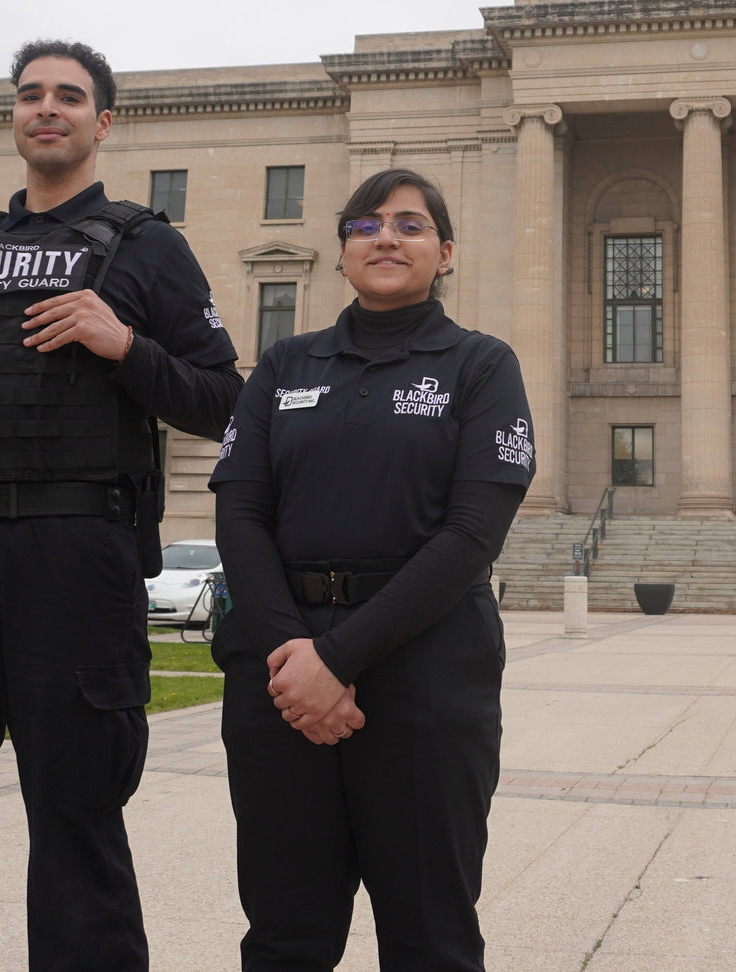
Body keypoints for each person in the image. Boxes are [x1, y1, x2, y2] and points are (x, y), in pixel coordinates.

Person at [0, 39, 242, 972]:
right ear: (16, 117)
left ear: (102, 121)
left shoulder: (148, 244)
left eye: (69, 96)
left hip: (73, 552)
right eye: (31, 95)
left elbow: (226, 402)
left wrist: (123, 347)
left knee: (74, 821)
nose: (47, 109)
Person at [209, 167, 534, 972]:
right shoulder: (283, 367)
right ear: (343, 250)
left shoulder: (481, 367)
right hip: (280, 679)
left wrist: (338, 660)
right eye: (366, 225)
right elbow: (240, 513)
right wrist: (295, 659)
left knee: (431, 938)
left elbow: (470, 536)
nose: (386, 236)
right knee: (284, 935)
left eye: (411, 224)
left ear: (446, 252)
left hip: (425, 673)